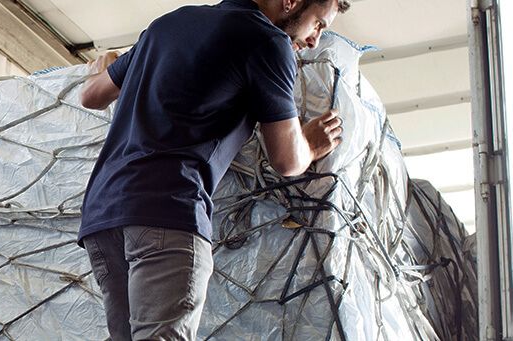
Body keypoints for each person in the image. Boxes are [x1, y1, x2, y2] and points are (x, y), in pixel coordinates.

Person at [77, 0, 349, 339]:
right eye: (318, 24)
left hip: (102, 218)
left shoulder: (169, 24)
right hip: (168, 212)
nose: (315, 41)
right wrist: (310, 144)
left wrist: (102, 66)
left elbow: (91, 94)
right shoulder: (268, 40)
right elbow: (286, 160)